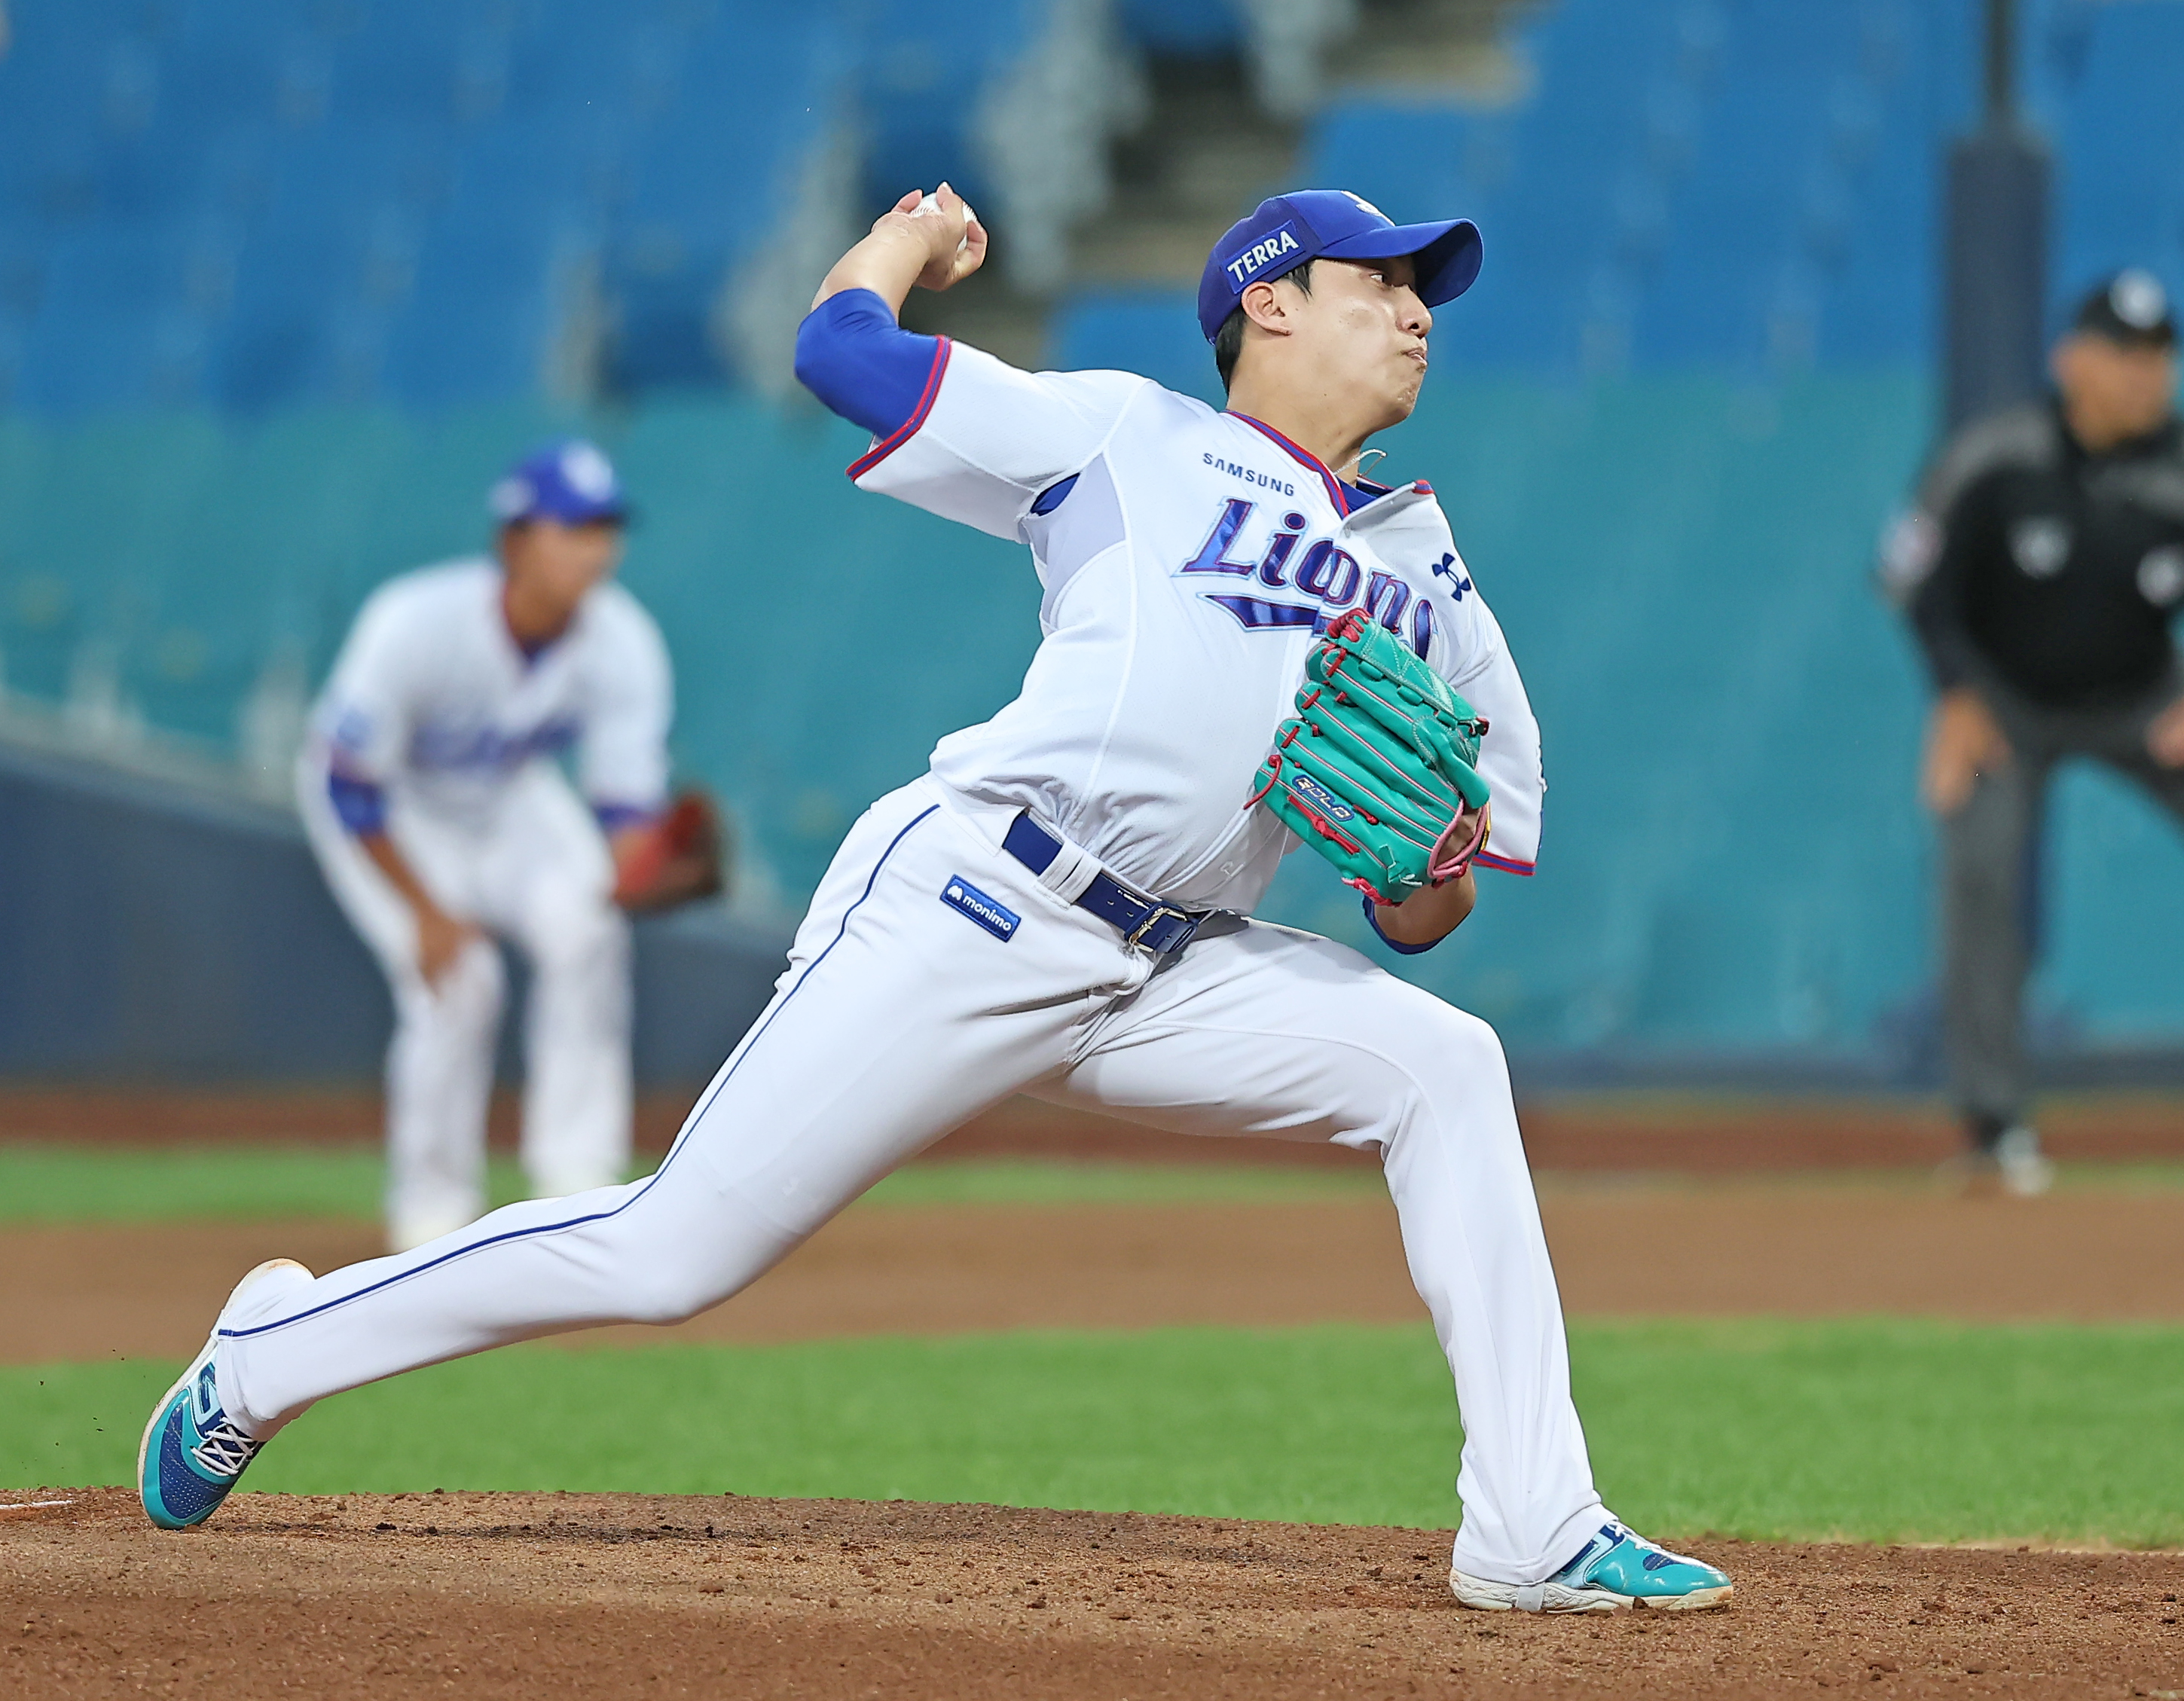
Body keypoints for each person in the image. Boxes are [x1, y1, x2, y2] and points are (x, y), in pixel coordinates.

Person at [140, 186, 1731, 1614]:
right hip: (979, 900)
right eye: (1377, 281)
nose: (1413, 313)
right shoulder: (1128, 435)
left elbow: (1419, 916)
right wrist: (906, 238)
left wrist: (1426, 871)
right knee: (667, 1252)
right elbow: (841, 354)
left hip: (1174, 966)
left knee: (1445, 1062)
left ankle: (1531, 1523)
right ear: (1267, 301)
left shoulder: (1422, 576)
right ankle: (267, 1352)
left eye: (1422, 293)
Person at [295, 440, 677, 1251]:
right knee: (461, 982)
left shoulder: (624, 640)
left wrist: (637, 871)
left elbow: (623, 805)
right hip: (389, 809)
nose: (594, 549)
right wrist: (426, 914)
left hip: (506, 795)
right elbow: (349, 785)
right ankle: (431, 1210)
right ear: (514, 542)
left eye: (605, 529)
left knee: (589, 931)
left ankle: (577, 1184)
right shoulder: (414, 620)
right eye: (572, 528)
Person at [1885, 270, 2184, 1193]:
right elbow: (1920, 583)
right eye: (2123, 355)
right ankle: (1992, 1120)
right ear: (2070, 361)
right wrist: (1954, 696)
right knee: (1977, 862)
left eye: (2158, 357)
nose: (2144, 375)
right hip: (2003, 699)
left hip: (2144, 694)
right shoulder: (1995, 456)